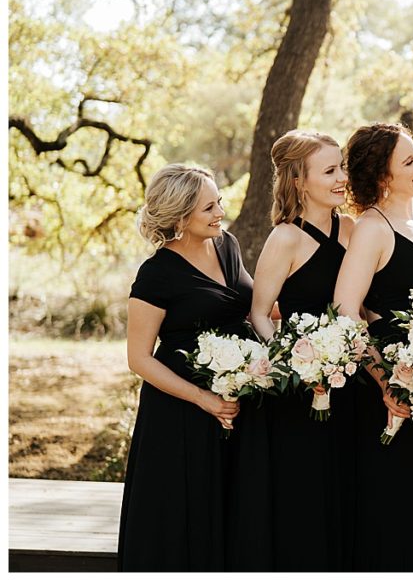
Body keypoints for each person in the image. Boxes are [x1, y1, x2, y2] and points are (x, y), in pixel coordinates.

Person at [118, 164, 249, 571]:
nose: (219, 212)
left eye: (219, 202)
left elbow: (251, 305)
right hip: (179, 414)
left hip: (236, 402)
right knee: (179, 519)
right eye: (208, 207)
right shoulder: (156, 274)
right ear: (179, 217)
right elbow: (138, 357)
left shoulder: (227, 245)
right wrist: (203, 399)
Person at [334, 122, 413, 572]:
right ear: (383, 176)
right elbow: (346, 312)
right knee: (390, 506)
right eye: (408, 161)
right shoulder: (372, 228)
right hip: (389, 390)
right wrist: (385, 381)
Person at [248, 130, 355, 571]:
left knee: (345, 493)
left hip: (350, 384)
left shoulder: (351, 229)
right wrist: (297, 364)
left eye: (342, 167)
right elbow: (257, 314)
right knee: (303, 497)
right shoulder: (285, 239)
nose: (342, 178)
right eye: (330, 170)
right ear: (298, 180)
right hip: (298, 393)